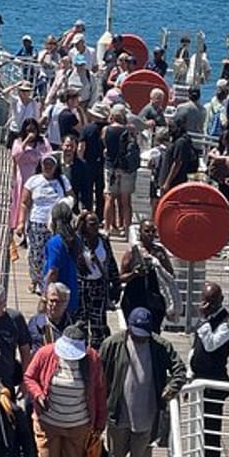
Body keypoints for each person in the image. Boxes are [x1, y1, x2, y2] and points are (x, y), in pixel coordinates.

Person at [97, 307, 187, 457]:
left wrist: (172, 387)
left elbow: (179, 370)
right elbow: (98, 374)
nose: (139, 339)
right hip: (118, 413)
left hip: (147, 416)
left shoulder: (160, 346)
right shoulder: (113, 344)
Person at [22, 324, 108, 457]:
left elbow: (99, 390)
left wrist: (99, 423)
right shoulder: (46, 353)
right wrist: (38, 394)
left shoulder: (92, 358)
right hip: (48, 423)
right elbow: (29, 377)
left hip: (78, 424)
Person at [190, 282, 229, 457]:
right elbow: (195, 351)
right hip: (198, 383)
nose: (204, 304)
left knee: (211, 434)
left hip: (214, 385)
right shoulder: (205, 321)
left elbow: (211, 345)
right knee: (195, 432)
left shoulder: (228, 322)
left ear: (218, 301)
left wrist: (203, 321)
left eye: (208, 301)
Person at [17, 153, 72, 294]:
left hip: (56, 224)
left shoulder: (62, 180)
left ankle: (48, 283)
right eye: (45, 164)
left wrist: (65, 203)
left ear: (55, 166)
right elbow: (24, 203)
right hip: (37, 222)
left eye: (51, 164)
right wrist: (21, 222)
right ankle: (36, 279)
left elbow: (71, 196)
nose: (47, 167)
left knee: (53, 254)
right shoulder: (33, 181)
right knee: (36, 255)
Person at [119, 221, 174, 332]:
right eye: (147, 231)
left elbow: (171, 274)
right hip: (134, 298)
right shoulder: (132, 252)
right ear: (140, 232)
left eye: (153, 231)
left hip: (155, 300)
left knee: (154, 332)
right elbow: (120, 277)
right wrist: (134, 274)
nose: (150, 234)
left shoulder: (159, 251)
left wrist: (161, 262)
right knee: (133, 330)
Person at [76, 211, 118, 347]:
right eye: (92, 224)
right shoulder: (78, 241)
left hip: (99, 285)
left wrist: (115, 284)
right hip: (81, 285)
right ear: (84, 225)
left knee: (98, 321)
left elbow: (111, 262)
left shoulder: (103, 240)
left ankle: (97, 351)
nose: (95, 227)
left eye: (97, 224)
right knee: (81, 320)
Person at [9, 118, 51, 235]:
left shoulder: (43, 142)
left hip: (36, 176)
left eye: (33, 129)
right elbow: (16, 156)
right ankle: (19, 224)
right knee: (21, 201)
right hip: (22, 176)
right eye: (28, 130)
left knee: (34, 201)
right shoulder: (18, 142)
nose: (31, 132)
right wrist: (26, 141)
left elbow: (48, 155)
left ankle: (31, 225)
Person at [102, 105, 137, 236]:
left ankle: (107, 228)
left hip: (110, 166)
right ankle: (127, 229)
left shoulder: (106, 130)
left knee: (109, 198)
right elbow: (134, 146)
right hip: (126, 168)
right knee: (126, 200)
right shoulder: (129, 130)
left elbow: (105, 145)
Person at [42, 201, 81, 312]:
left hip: (56, 297)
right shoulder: (76, 239)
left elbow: (53, 272)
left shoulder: (55, 242)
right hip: (71, 292)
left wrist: (45, 295)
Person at [77, 103, 109, 222]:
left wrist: (81, 160)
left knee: (87, 190)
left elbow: (81, 147)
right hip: (104, 163)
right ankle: (100, 216)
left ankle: (88, 214)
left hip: (89, 163)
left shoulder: (87, 128)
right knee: (101, 190)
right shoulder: (108, 128)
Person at [28, 283, 73, 352]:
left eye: (59, 302)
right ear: (46, 300)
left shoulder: (73, 324)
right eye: (52, 300)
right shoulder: (34, 322)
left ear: (66, 303)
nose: (54, 305)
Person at [160, 118, 197, 194]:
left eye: (172, 127)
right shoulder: (175, 140)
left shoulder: (181, 142)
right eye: (169, 126)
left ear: (179, 128)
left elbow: (177, 163)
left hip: (175, 183)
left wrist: (167, 183)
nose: (169, 129)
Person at [59, 134, 91, 214]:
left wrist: (85, 208)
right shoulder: (54, 162)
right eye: (67, 146)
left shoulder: (82, 166)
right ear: (62, 146)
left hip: (72, 205)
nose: (69, 149)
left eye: (72, 146)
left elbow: (85, 189)